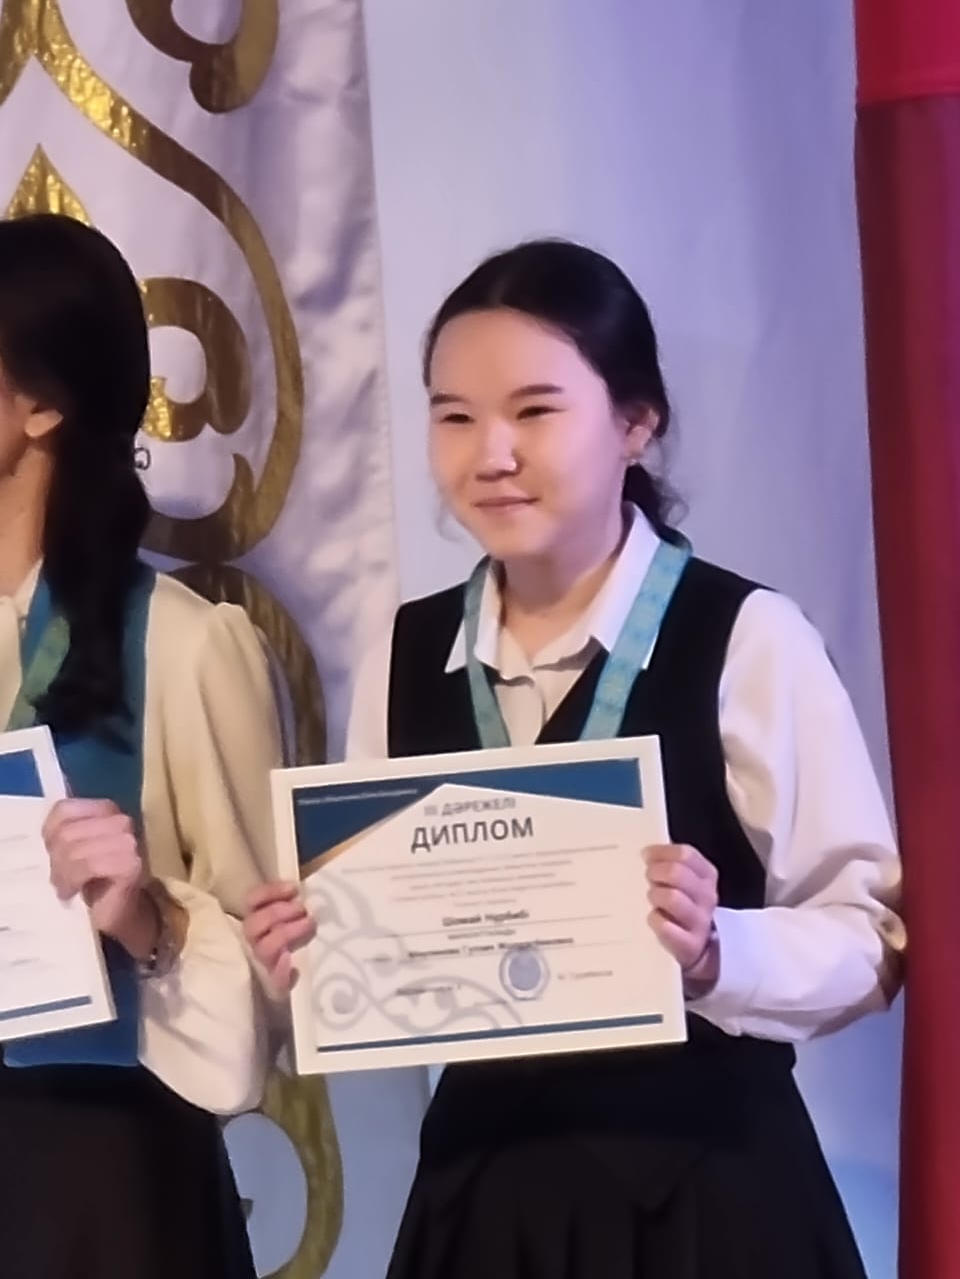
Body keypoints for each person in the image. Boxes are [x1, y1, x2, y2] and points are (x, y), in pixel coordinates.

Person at [247, 239, 904, 1279]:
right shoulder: (405, 655)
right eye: (454, 416)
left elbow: (871, 938)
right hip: (485, 1195)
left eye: (535, 411)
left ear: (636, 423)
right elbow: (396, 956)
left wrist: (716, 950)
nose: (491, 453)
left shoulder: (745, 636)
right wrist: (313, 953)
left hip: (709, 1199)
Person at [0, 213, 282, 1279]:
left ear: (43, 405)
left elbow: (272, 990)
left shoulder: (186, 644)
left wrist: (143, 917)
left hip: (105, 1185)